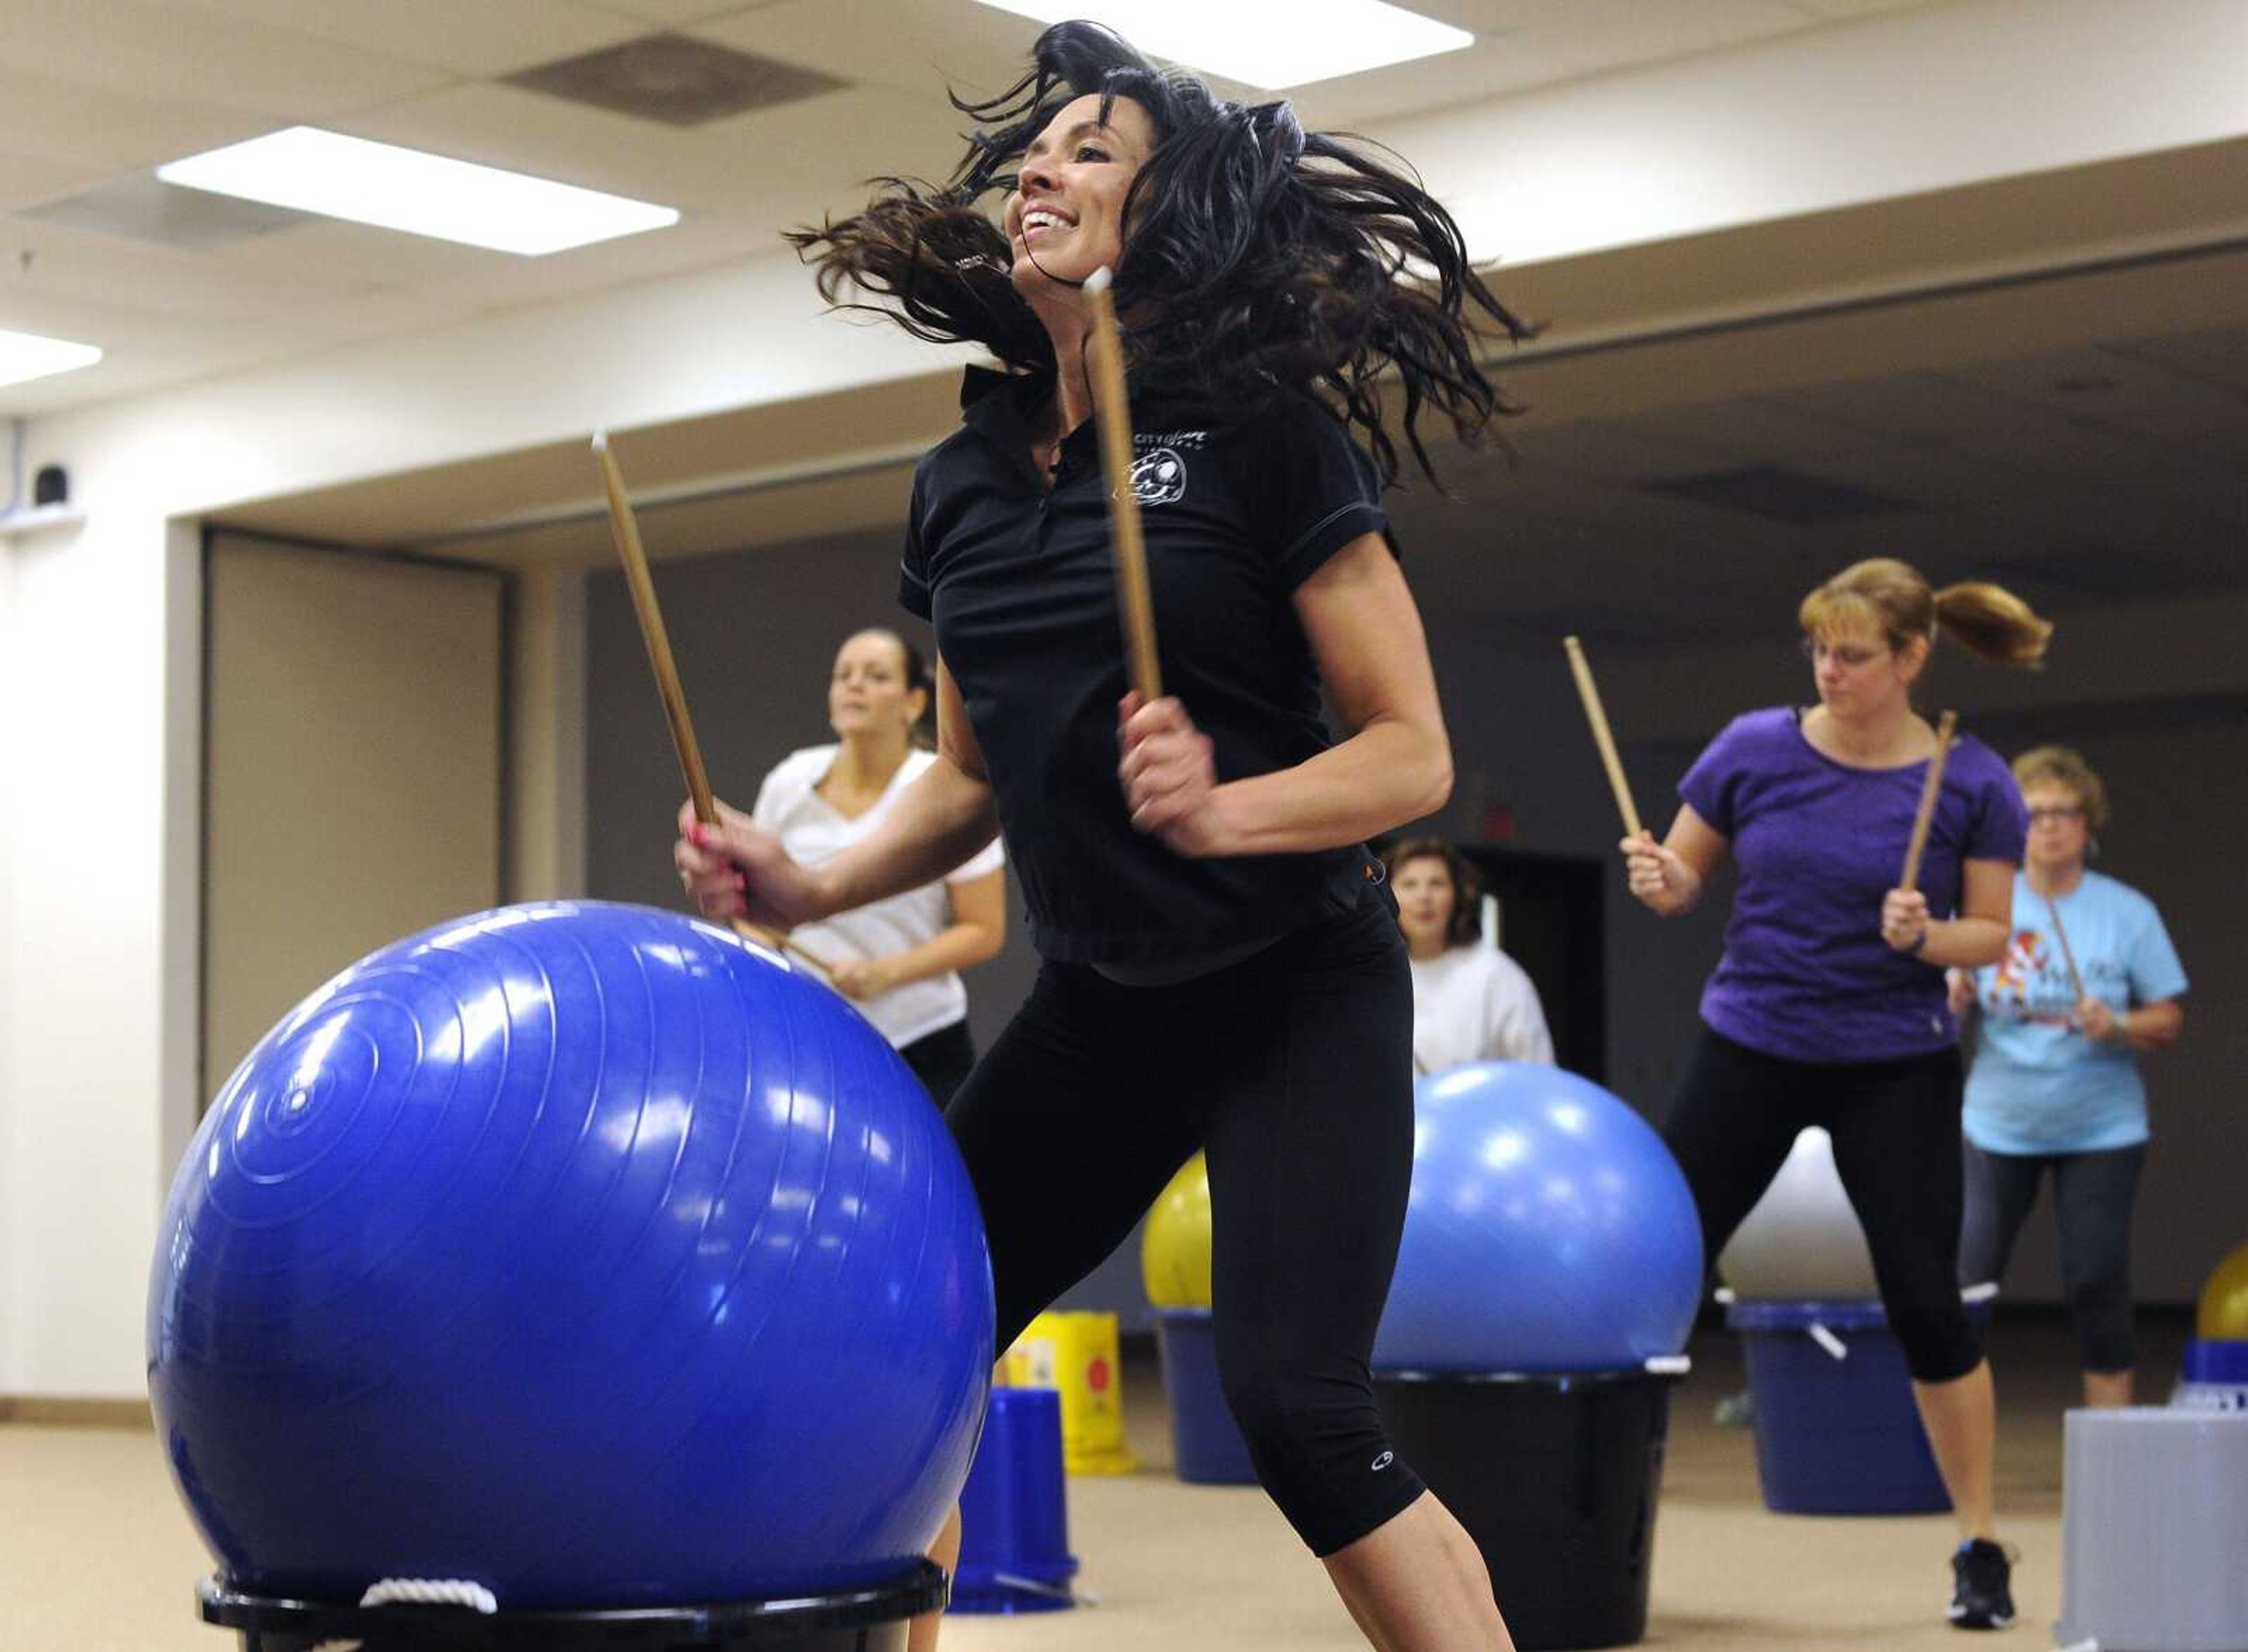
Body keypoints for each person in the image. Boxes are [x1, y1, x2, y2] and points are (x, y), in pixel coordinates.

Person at [674, 22, 1532, 1651]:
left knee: (1300, 1417)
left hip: (1296, 982)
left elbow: (1411, 751)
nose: (1040, 170)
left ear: (1169, 216)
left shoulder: (1271, 441)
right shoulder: (964, 482)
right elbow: (964, 776)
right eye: (1035, 149)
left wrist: (1229, 804)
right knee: (906, 1349)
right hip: (1107, 1002)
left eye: (1089, 150)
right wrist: (806, 881)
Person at [1620, 556, 2049, 1632]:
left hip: (1893, 1060)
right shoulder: (1753, 747)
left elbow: (1990, 935)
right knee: (1656, 1270)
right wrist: (1662, 879)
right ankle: (1603, 1514)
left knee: (1925, 1302)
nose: (1830, 669)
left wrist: (1927, 934)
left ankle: (1979, 1542)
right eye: (1819, 649)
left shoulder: (1973, 778)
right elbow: (1683, 878)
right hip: (1752, 1041)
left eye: (1853, 654)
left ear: (1911, 659)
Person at [1952, 746, 2185, 1408]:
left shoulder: (2126, 912)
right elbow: (1938, 985)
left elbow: (2168, 1017)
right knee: (1967, 1280)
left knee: (2095, 1278)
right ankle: (1938, 1442)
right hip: (1996, 1124)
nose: (2048, 826)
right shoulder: (1985, 902)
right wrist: (1950, 995)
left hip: (2102, 1127)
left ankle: (2112, 1445)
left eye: (2063, 812)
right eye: (2033, 814)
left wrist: (2118, 1023)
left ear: (2088, 824)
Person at [751, 628, 1007, 1105]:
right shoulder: (789, 780)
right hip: (813, 1031)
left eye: (876, 676)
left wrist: (886, 973)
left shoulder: (947, 787)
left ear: (913, 703)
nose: (854, 686)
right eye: (843, 676)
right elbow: (755, 909)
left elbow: (983, 929)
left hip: (920, 1036)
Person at [1385, 837, 1553, 1073]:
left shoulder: (1496, 975)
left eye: (1437, 884)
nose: (1424, 896)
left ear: (1459, 896)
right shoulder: (1373, 976)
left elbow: (1538, 1071)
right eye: (1410, 884)